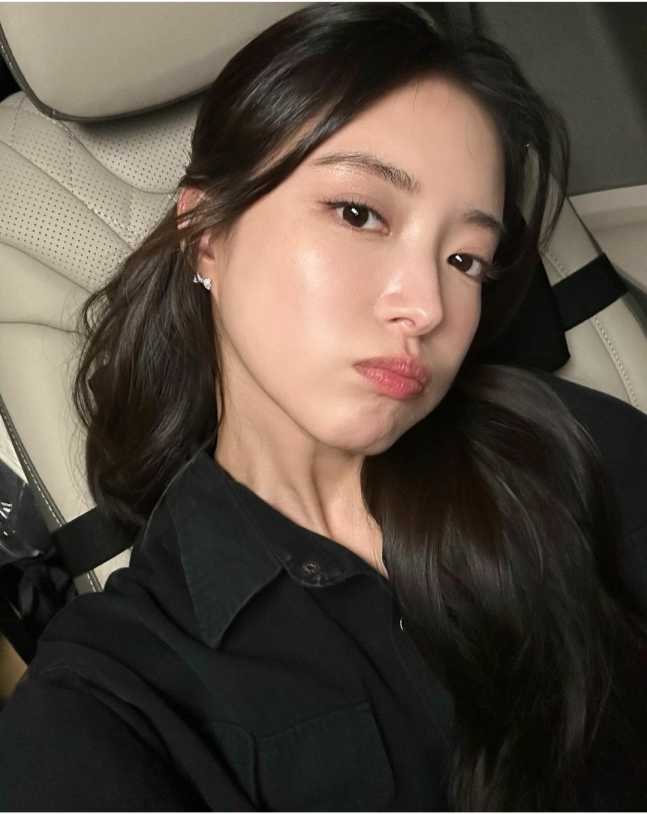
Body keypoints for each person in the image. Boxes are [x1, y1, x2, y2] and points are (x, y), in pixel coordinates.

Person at [1, 3, 647, 810]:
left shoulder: (568, 446)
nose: (426, 307)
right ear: (205, 231)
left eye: (465, 260)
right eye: (358, 214)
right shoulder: (122, 689)